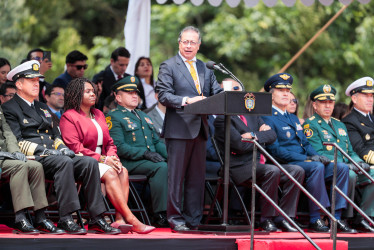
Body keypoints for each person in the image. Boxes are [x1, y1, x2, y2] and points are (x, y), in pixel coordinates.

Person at [3, 60, 120, 235]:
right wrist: (44, 151)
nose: (37, 84)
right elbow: (16, 140)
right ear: (19, 84)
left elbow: (55, 134)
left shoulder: (42, 107)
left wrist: (62, 147)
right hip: (34, 157)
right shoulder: (9, 108)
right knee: (64, 161)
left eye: (38, 80)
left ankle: (97, 218)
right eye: (32, 81)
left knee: (88, 162)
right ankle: (66, 218)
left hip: (55, 155)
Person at [261, 73, 354, 233]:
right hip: (286, 162)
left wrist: (315, 155)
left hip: (304, 161)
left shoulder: (292, 118)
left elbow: (305, 143)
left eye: (288, 90)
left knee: (341, 168)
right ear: (271, 94)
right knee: (316, 166)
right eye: (280, 90)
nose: (286, 94)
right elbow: (275, 150)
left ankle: (336, 217)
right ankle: (315, 218)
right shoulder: (267, 116)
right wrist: (308, 158)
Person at [155, 26, 222, 231]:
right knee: (176, 179)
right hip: (179, 129)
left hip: (201, 129)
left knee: (196, 179)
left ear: (199, 45)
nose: (189, 46)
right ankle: (175, 219)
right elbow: (164, 95)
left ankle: (194, 219)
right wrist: (188, 100)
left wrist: (230, 95)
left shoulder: (205, 68)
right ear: (179, 43)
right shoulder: (169, 66)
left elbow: (216, 92)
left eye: (193, 42)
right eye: (185, 42)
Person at [304, 84, 374, 232]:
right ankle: (339, 218)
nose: (328, 105)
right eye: (323, 102)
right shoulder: (310, 124)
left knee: (371, 173)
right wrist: (347, 164)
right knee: (347, 172)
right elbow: (318, 153)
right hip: (327, 167)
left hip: (344, 166)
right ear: (315, 105)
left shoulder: (339, 124)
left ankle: (364, 216)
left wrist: (359, 162)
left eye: (330, 102)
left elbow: (350, 150)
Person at [107, 76, 168, 228]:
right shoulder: (114, 116)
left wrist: (173, 157)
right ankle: (161, 214)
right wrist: (145, 154)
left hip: (147, 161)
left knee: (174, 166)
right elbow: (119, 146)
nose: (135, 95)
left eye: (136, 92)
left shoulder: (143, 115)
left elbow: (155, 142)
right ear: (118, 96)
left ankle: (177, 211)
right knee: (161, 168)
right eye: (129, 93)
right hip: (128, 162)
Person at [0, 103, 65, 235]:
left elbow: (7, 132)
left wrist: (14, 152)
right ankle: (20, 218)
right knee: (20, 166)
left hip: (7, 156)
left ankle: (40, 217)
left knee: (35, 166)